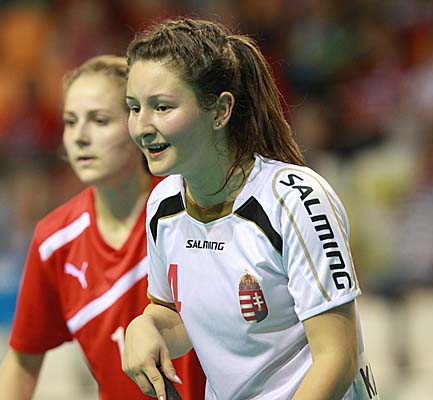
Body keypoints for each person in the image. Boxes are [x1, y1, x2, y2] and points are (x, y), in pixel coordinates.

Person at [121, 18, 379, 400]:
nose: (142, 126)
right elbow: (178, 315)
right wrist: (146, 327)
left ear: (220, 110)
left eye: (162, 107)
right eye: (134, 107)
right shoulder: (164, 205)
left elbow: (337, 358)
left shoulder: (295, 200)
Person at [0, 55, 206, 400]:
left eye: (100, 120)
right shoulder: (54, 242)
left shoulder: (190, 211)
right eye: (70, 121)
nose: (80, 137)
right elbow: (21, 363)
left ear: (138, 125)